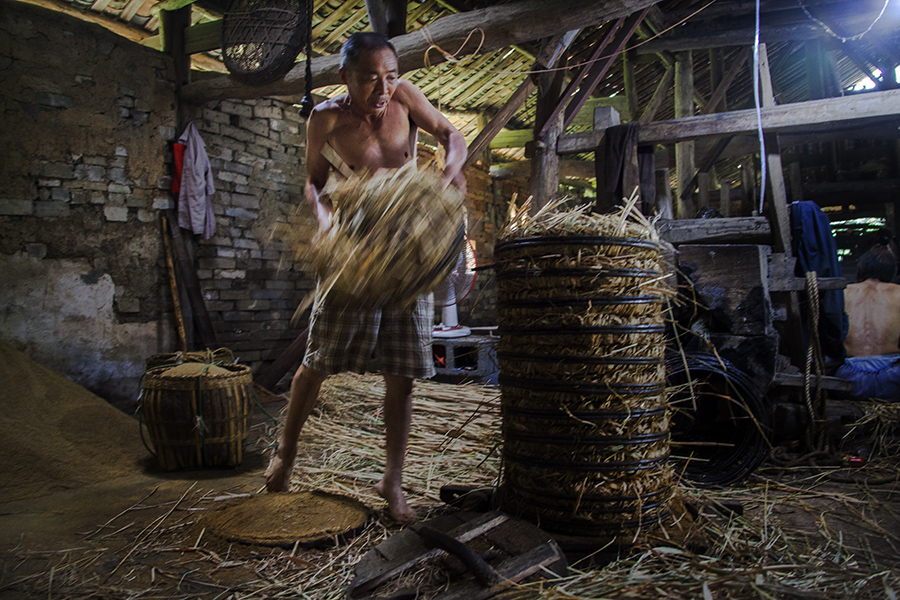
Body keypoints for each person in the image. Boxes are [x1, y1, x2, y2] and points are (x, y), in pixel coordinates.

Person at [265, 32, 467, 523]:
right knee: (317, 361)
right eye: (370, 79)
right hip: (356, 252)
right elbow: (314, 184)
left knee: (402, 375)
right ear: (345, 77)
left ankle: (391, 481)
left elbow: (451, 135)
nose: (383, 89)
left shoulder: (405, 99)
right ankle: (285, 456)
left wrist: (450, 172)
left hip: (408, 249)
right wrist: (327, 223)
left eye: (390, 76)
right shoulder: (326, 119)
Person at [836, 244, 900, 400]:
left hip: (850, 380)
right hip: (892, 379)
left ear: (861, 269)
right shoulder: (898, 293)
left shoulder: (842, 293)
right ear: (891, 272)